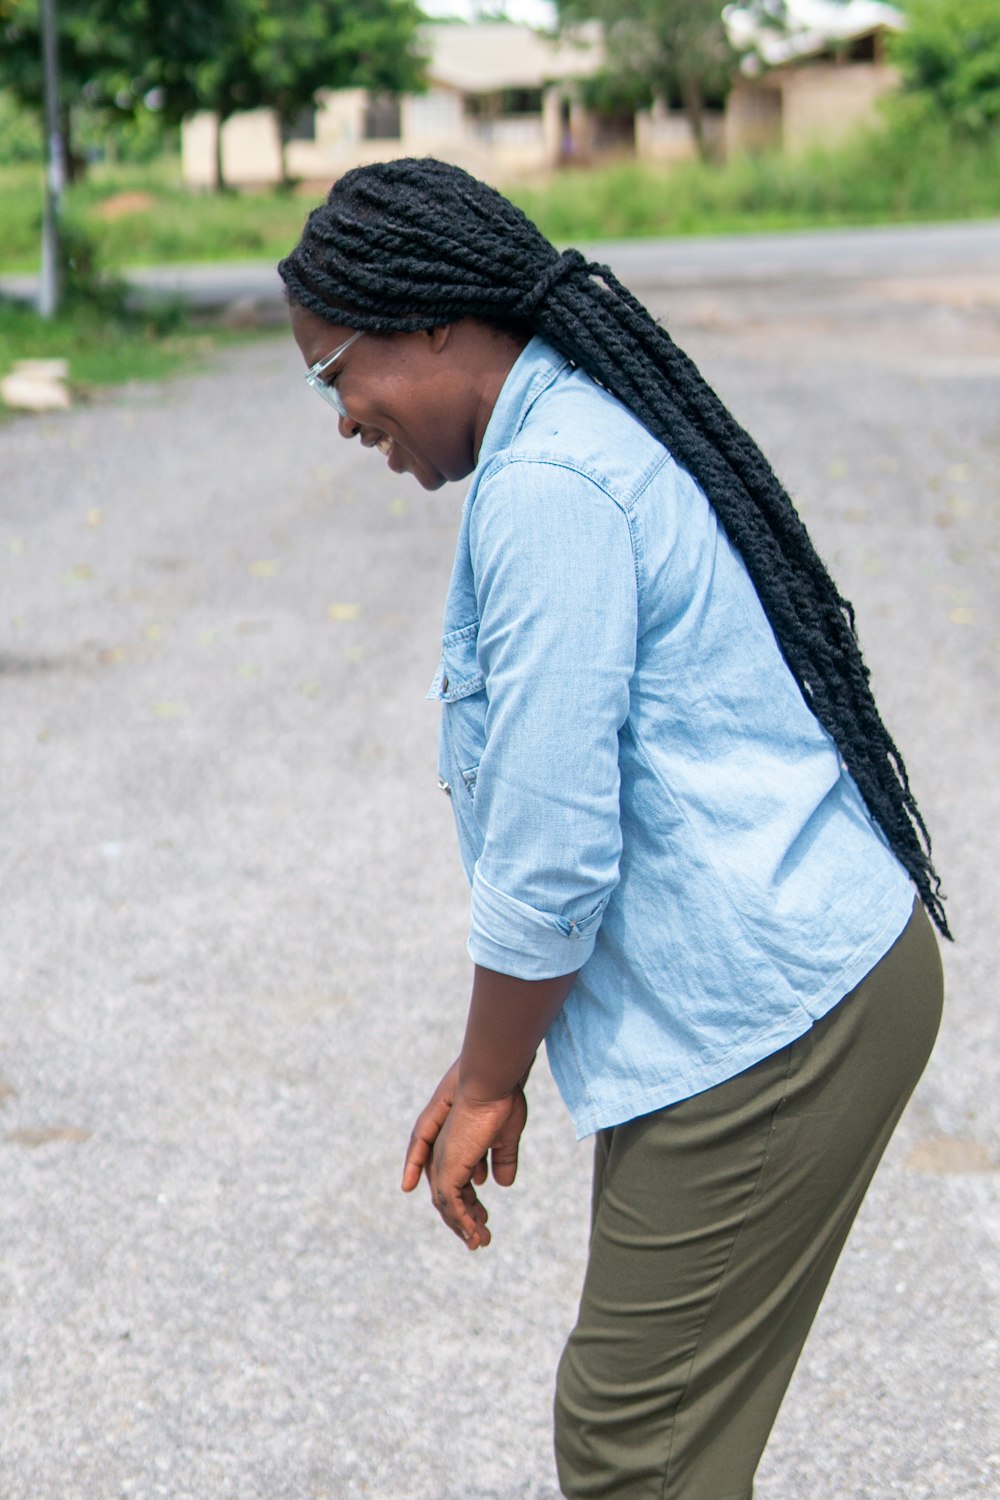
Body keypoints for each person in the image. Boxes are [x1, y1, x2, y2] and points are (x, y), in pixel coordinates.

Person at [278, 157, 947, 1500]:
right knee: (662, 1434)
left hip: (775, 1025)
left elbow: (554, 856)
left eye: (335, 373)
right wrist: (493, 1062)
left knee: (637, 1446)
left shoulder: (550, 491)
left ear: (436, 324)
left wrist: (483, 1082)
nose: (346, 419)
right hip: (783, 995)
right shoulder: (566, 442)